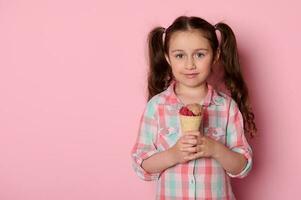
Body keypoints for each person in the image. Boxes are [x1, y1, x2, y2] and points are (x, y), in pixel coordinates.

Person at [131, 15, 257, 199]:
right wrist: (173, 155)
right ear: (168, 58)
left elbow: (242, 166)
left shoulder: (226, 107)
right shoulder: (156, 106)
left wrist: (214, 149)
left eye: (199, 54)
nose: (190, 64)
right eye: (180, 55)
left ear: (215, 56)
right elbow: (140, 164)